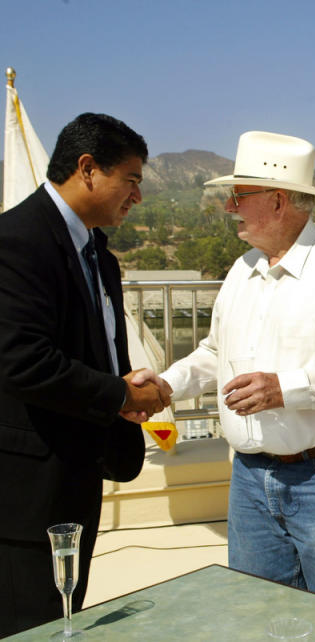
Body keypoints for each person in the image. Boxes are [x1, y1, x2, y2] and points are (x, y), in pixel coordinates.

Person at [157, 131, 315, 608]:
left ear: (280, 200)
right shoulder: (243, 269)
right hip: (249, 480)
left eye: (239, 196)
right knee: (259, 618)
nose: (229, 207)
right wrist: (165, 384)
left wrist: (288, 388)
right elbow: (213, 353)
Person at [0, 113, 168, 636]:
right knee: (31, 626)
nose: (137, 196)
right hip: (26, 492)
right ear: (88, 168)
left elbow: (92, 351)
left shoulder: (100, 255)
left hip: (78, 476)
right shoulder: (17, 242)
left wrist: (127, 385)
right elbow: (20, 358)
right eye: (132, 180)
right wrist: (117, 393)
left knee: (66, 619)